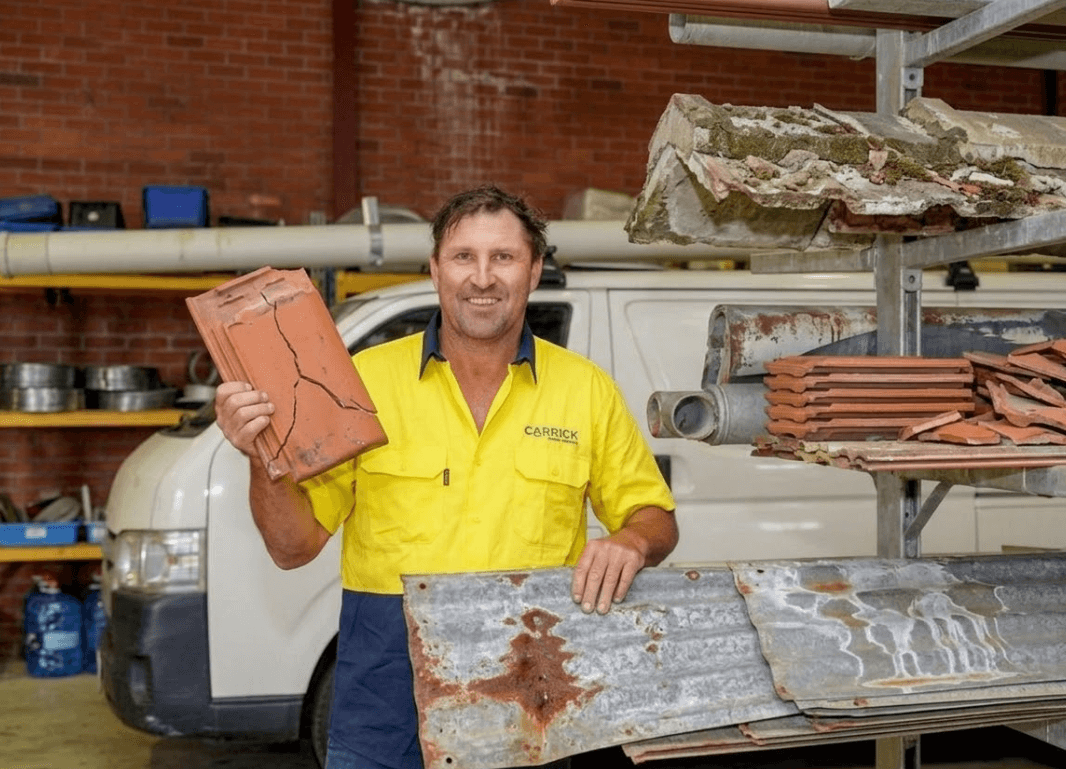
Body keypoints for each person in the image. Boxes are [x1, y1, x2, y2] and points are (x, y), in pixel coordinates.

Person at [214, 185, 678, 769]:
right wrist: (264, 457)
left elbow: (654, 516)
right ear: (435, 269)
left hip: (531, 682)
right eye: (464, 257)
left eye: (503, 257)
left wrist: (631, 541)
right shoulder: (364, 383)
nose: (482, 277)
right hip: (388, 684)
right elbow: (291, 547)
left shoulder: (585, 390)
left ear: (533, 271)